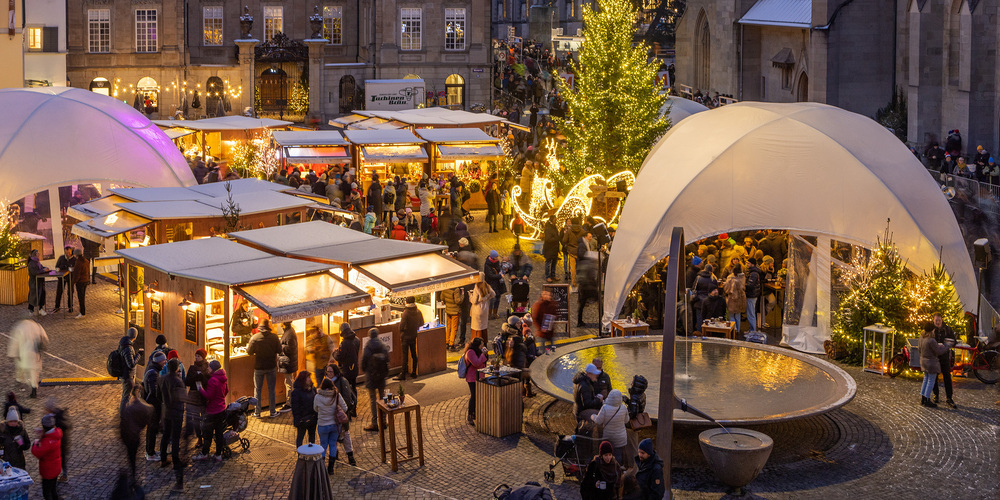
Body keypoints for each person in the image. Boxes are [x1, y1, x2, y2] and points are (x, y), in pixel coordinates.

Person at [157, 359, 186, 490]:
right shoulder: (178, 381)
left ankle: (163, 458)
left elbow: (158, 395)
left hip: (166, 412)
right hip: (176, 413)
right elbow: (182, 398)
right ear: (176, 368)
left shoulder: (162, 379)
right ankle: (175, 461)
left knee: (166, 435)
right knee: (175, 437)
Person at [246, 319, 282, 418]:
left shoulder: (254, 338)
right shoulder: (274, 337)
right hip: (271, 366)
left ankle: (257, 412)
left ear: (260, 328)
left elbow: (249, 352)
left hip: (259, 367)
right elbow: (279, 350)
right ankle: (272, 411)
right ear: (268, 326)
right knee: (271, 389)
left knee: (257, 390)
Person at [193, 360, 228, 462]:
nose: (207, 369)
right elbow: (226, 391)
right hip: (221, 409)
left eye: (209, 367)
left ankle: (204, 453)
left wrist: (200, 389)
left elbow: (209, 396)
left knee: (207, 433)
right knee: (219, 433)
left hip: (213, 411)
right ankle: (218, 454)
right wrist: (220, 399)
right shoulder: (223, 378)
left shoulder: (213, 380)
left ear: (213, 369)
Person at [324, 364, 356, 465]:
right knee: (333, 434)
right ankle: (335, 453)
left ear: (335, 372)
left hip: (341, 414)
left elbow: (346, 398)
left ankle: (350, 456)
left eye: (331, 372)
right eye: (327, 372)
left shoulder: (342, 381)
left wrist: (341, 411)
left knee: (345, 434)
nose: (329, 374)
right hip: (331, 415)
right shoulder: (326, 383)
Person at [7, 319, 48, 399]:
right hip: (35, 353)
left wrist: (13, 354)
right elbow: (45, 338)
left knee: (21, 367)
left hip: (24, 353)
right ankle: (34, 389)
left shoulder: (20, 327)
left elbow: (15, 342)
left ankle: (19, 380)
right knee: (34, 372)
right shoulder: (37, 326)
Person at [313, 377, 347, 474]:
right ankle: (331, 468)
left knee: (323, 445)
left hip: (322, 425)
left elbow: (315, 409)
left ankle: (322, 468)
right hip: (334, 425)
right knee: (333, 444)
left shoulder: (317, 397)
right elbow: (345, 408)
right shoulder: (336, 395)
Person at [120, 387, 153, 480]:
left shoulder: (128, 409)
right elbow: (146, 421)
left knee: (131, 457)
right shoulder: (144, 408)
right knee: (133, 455)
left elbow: (123, 424)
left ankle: (132, 472)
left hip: (128, 437)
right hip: (135, 437)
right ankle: (133, 474)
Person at [361, 328, 389, 432]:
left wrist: (367, 371)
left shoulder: (368, 347)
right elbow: (387, 359)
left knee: (373, 400)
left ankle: (374, 423)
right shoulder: (382, 345)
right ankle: (384, 421)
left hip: (371, 377)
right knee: (382, 399)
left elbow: (363, 362)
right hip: (381, 377)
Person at [919, 322, 952, 408]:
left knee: (926, 379)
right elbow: (938, 351)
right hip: (931, 363)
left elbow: (919, 349)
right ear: (931, 330)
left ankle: (923, 398)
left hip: (923, 361)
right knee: (931, 381)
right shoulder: (931, 340)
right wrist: (946, 346)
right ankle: (927, 399)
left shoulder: (921, 337)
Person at [31, 413, 63, 500]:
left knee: (46, 492)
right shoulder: (58, 432)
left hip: (48, 470)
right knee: (53, 487)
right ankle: (56, 498)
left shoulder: (47, 442)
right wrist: (43, 434)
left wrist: (36, 440)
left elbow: (36, 452)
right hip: (56, 467)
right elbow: (49, 434)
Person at [591, 390, 628, 463]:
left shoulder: (605, 407)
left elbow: (599, 421)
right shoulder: (623, 408)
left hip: (608, 436)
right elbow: (626, 420)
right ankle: (617, 470)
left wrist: (593, 416)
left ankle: (607, 470)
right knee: (618, 455)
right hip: (620, 436)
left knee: (607, 454)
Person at [184, 349, 210, 450]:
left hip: (203, 397)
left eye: (198, 356)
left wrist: (202, 377)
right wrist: (195, 377)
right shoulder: (192, 368)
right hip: (194, 397)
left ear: (203, 357)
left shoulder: (207, 367)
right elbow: (187, 382)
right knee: (196, 419)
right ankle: (199, 438)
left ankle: (206, 437)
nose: (196, 358)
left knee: (204, 418)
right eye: (195, 356)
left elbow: (209, 382)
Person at [142, 351, 166, 462]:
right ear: (159, 361)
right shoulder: (153, 373)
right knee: (152, 430)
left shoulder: (153, 370)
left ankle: (150, 451)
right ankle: (150, 453)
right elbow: (154, 391)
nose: (165, 362)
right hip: (153, 406)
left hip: (151, 405)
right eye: (164, 360)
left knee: (152, 430)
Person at [931, 313, 959, 408]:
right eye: (936, 321)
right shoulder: (931, 330)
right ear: (933, 321)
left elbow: (954, 341)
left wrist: (946, 345)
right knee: (934, 376)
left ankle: (949, 397)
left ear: (942, 320)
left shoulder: (947, 329)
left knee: (947, 376)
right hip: (934, 357)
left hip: (944, 356)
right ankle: (936, 395)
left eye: (939, 320)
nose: (938, 322)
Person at [462, 338, 488, 425]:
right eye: (481, 345)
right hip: (472, 378)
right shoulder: (470, 352)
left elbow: (483, 362)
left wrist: (485, 354)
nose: (482, 346)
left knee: (478, 396)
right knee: (474, 396)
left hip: (479, 376)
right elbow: (476, 363)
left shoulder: (477, 351)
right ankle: (470, 415)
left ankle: (474, 413)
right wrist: (483, 354)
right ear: (477, 345)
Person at [398, 295, 424, 381]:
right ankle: (414, 372)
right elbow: (421, 323)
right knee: (414, 354)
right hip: (413, 335)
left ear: (407, 302)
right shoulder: (418, 311)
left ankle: (403, 374)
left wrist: (402, 331)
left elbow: (401, 326)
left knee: (405, 356)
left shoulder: (406, 312)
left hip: (405, 336)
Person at [290, 371, 318, 446]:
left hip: (312, 418)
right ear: (303, 379)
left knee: (312, 437)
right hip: (303, 420)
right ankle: (300, 455)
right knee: (300, 437)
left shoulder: (313, 389)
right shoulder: (296, 392)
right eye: (308, 377)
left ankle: (311, 454)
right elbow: (295, 408)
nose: (309, 379)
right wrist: (298, 420)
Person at [333, 323, 361, 397]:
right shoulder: (357, 340)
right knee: (353, 387)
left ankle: (350, 404)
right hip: (354, 367)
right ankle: (354, 404)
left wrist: (335, 352)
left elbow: (340, 357)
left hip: (346, 369)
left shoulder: (344, 343)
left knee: (346, 388)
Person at [118, 328, 141, 413]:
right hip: (128, 376)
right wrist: (139, 355)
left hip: (127, 375)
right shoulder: (128, 348)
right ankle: (123, 415)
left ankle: (132, 410)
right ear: (135, 336)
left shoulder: (123, 344)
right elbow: (131, 364)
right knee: (126, 398)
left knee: (133, 391)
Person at [278, 322, 299, 413]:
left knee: (289, 382)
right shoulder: (289, 332)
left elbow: (290, 348)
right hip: (288, 362)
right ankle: (291, 401)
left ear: (284, 323)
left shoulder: (290, 333)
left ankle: (290, 403)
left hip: (288, 362)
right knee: (289, 382)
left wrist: (280, 346)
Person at [562, 218, 586, 288]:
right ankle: (581, 281)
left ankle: (574, 282)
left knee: (572, 268)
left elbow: (564, 240)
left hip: (571, 251)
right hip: (580, 251)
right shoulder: (582, 231)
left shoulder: (569, 231)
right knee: (580, 267)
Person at [577, 254, 599, 327]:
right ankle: (603, 318)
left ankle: (579, 321)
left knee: (581, 305)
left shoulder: (581, 264)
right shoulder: (591, 265)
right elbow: (592, 277)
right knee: (600, 302)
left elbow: (578, 275)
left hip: (582, 288)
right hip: (590, 288)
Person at [723, 265, 746, 332]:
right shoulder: (743, 277)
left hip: (732, 298)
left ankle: (734, 328)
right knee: (738, 314)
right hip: (741, 297)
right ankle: (738, 329)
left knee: (731, 314)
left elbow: (727, 288)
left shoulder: (730, 278)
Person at [484, 250, 506, 320]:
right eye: (496, 257)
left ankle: (495, 313)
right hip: (491, 284)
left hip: (498, 284)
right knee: (492, 299)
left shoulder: (497, 262)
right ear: (493, 258)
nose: (497, 258)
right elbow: (490, 275)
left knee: (498, 299)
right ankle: (489, 314)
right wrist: (500, 276)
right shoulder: (487, 265)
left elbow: (499, 269)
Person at [52, 246, 75, 313]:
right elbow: (57, 266)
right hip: (61, 277)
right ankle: (57, 306)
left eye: (69, 252)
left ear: (71, 251)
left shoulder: (73, 259)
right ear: (65, 251)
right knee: (59, 291)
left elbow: (75, 268)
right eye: (67, 252)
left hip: (70, 277)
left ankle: (70, 307)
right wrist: (58, 269)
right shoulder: (61, 258)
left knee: (70, 292)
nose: (68, 253)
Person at [27, 249, 49, 316]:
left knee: (41, 294)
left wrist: (45, 268)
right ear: (35, 254)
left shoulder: (37, 262)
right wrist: (43, 270)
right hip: (34, 282)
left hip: (40, 282)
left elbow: (41, 268)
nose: (39, 254)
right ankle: (31, 309)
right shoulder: (31, 263)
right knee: (33, 295)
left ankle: (40, 309)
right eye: (38, 253)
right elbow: (34, 272)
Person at [69, 249, 89, 319]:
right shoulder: (86, 261)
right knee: (82, 296)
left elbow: (77, 274)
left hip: (80, 282)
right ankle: (82, 311)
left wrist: (73, 282)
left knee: (81, 298)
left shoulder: (78, 262)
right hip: (85, 280)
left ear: (76, 255)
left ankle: (82, 312)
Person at [543, 217, 561, 282]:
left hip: (555, 248)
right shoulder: (548, 228)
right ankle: (547, 276)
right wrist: (557, 238)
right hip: (549, 248)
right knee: (548, 263)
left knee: (554, 262)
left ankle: (553, 275)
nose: (556, 220)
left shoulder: (554, 227)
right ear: (552, 220)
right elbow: (548, 239)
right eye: (555, 219)